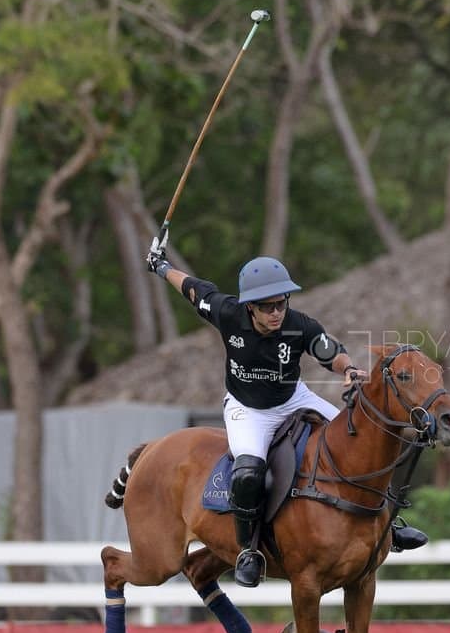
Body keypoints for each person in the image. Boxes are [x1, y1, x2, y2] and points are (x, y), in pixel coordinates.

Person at [145, 248, 428, 587]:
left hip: (294, 398)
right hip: (247, 409)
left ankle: (389, 525)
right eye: (268, 306)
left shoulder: (298, 325)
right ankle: (248, 551)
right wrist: (160, 266)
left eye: (282, 303)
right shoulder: (227, 313)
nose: (277, 312)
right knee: (248, 472)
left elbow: (329, 351)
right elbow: (192, 288)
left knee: (360, 438)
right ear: (250, 305)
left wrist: (350, 369)